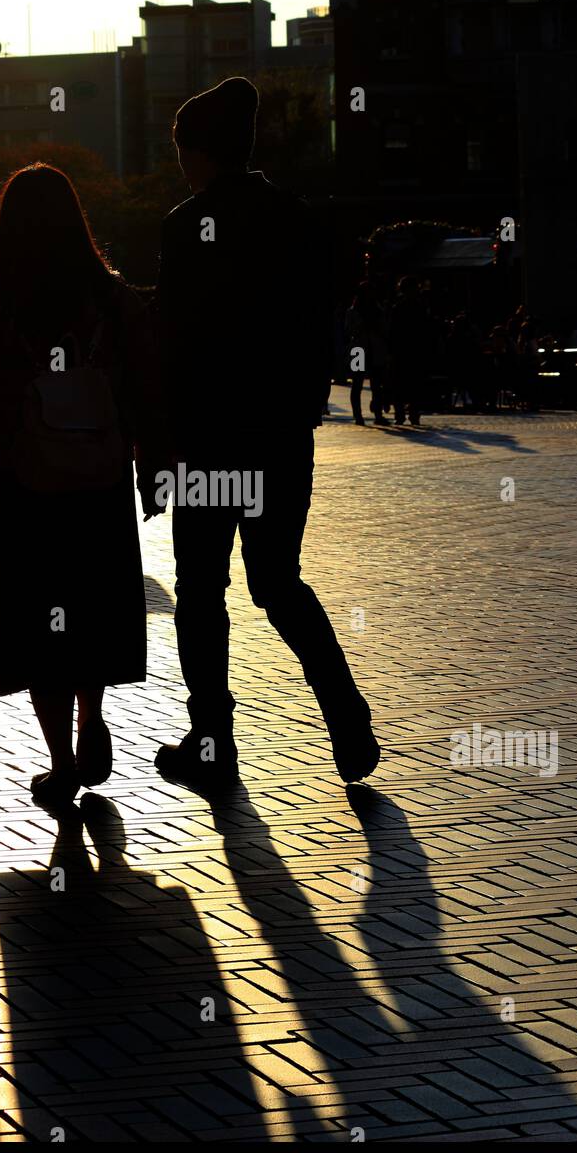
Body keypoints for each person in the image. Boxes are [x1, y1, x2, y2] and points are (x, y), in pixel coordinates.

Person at [154, 77, 380, 793]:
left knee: (199, 590)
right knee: (279, 585)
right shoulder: (298, 218)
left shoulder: (187, 227)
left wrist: (157, 440)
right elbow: (321, 321)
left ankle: (213, 738)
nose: (180, 164)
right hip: (281, 434)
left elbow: (173, 340)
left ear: (199, 151)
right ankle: (345, 716)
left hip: (209, 438)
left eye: (182, 150)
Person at [0, 163, 164, 808]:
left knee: (39, 620)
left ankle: (61, 759)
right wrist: (153, 465)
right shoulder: (115, 300)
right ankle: (93, 716)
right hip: (97, 481)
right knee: (91, 607)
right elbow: (149, 386)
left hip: (21, 484)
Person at [344, 282, 390, 424]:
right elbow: (349, 330)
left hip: (371, 348)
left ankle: (376, 413)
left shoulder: (377, 310)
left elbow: (384, 329)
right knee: (358, 383)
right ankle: (359, 415)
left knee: (375, 383)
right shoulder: (353, 311)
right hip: (360, 348)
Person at [389, 276, 430, 426]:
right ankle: (413, 413)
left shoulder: (398, 308)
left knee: (401, 383)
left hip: (402, 350)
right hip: (414, 349)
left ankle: (401, 413)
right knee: (414, 383)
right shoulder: (420, 307)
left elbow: (392, 332)